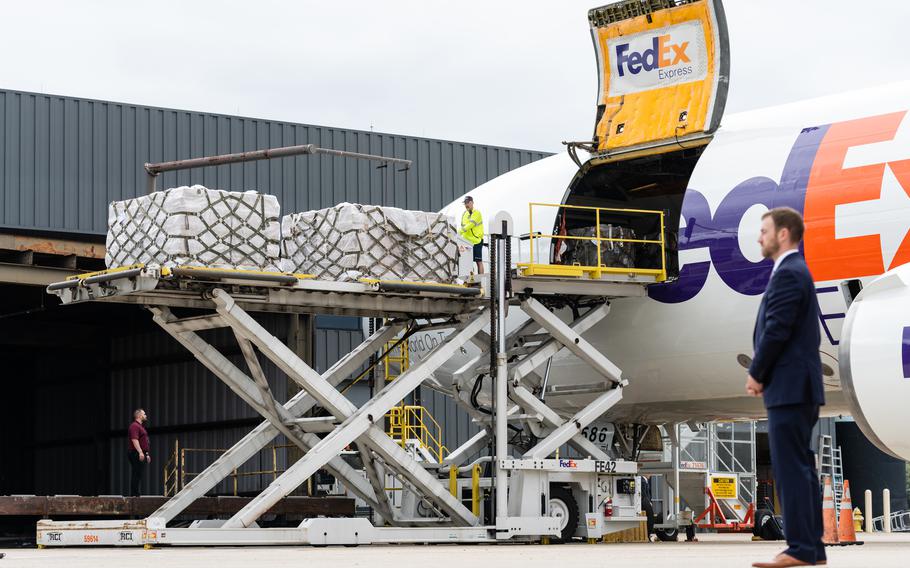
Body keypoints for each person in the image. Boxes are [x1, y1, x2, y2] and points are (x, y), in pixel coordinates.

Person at [746, 207, 826, 568]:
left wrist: (757, 372)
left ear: (783, 234)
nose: (759, 238)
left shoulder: (790, 273)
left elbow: (777, 328)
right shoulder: (793, 272)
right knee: (802, 467)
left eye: (764, 231)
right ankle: (812, 549)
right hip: (798, 387)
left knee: (791, 469)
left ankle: (798, 548)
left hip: (790, 387)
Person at [127, 408, 151, 497]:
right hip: (135, 452)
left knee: (138, 473)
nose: (146, 416)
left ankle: (135, 493)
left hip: (141, 452)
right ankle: (134, 494)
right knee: (136, 472)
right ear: (139, 415)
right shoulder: (134, 426)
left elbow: (144, 441)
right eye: (144, 414)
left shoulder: (140, 427)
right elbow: (134, 439)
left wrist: (147, 454)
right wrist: (140, 452)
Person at [459, 195, 484, 275]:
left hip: (476, 241)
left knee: (478, 261)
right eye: (465, 203)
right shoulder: (464, 214)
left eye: (468, 203)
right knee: (468, 261)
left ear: (472, 202)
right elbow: (463, 225)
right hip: (466, 241)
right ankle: (471, 280)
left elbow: (470, 224)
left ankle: (481, 280)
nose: (466, 205)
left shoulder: (477, 213)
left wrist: (458, 232)